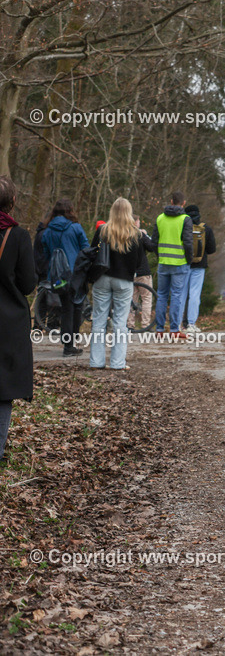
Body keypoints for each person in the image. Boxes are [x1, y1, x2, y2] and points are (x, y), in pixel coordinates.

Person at [0, 176, 35, 462]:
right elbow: (27, 285)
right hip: (8, 320)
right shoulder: (19, 236)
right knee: (4, 387)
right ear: (12, 202)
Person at [89, 198, 147, 370]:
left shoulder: (102, 230)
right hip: (124, 281)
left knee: (99, 320)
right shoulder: (136, 234)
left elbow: (92, 253)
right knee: (120, 323)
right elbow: (139, 262)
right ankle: (117, 363)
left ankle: (96, 362)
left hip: (102, 278)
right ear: (129, 212)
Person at [38, 198, 90, 356]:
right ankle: (70, 345)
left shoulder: (47, 231)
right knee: (76, 308)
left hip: (58, 276)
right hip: (76, 274)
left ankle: (68, 344)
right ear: (70, 211)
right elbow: (86, 249)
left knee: (66, 309)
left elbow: (46, 254)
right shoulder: (76, 228)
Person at [152, 191, 194, 338]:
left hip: (163, 262)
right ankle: (175, 330)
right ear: (183, 203)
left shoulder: (160, 218)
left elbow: (154, 242)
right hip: (180, 263)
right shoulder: (185, 219)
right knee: (176, 296)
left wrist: (160, 256)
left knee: (162, 295)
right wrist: (189, 259)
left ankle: (159, 330)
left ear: (171, 201)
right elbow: (188, 243)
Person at [183, 204, 216, 333]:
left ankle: (179, 324)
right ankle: (191, 324)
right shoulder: (206, 229)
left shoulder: (182, 227)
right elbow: (212, 249)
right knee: (195, 295)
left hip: (184, 264)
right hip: (199, 266)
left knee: (182, 294)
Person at [132, 215, 156, 330]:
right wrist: (146, 235)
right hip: (143, 272)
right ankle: (145, 325)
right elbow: (151, 247)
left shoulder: (124, 234)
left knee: (131, 300)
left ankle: (129, 325)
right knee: (146, 298)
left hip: (129, 273)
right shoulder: (140, 234)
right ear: (136, 222)